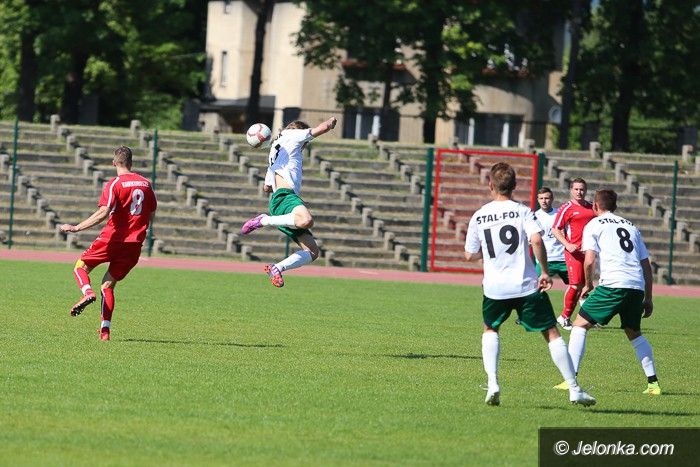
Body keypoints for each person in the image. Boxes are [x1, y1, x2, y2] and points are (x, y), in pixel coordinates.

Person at [464, 162, 596, 407]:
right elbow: (536, 240)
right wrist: (544, 271)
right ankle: (574, 389)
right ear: (514, 185)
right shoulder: (523, 211)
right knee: (551, 332)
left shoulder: (480, 215)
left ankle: (493, 383)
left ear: (490, 185)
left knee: (490, 329)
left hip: (495, 287)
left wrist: (491, 253)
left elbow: (470, 254)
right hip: (525, 285)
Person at [554, 189, 660, 395]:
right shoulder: (631, 226)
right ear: (615, 206)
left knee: (579, 325)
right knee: (634, 333)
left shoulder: (594, 225)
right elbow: (646, 266)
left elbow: (589, 260)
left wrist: (588, 284)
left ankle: (570, 379)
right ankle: (653, 384)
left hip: (613, 285)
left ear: (595, 206)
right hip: (635, 287)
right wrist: (648, 298)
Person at [60, 146, 157, 341]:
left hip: (112, 239)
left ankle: (87, 293)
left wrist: (77, 227)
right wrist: (141, 231)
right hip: (134, 244)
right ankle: (105, 332)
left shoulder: (115, 183)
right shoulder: (146, 184)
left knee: (80, 267)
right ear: (131, 163)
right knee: (107, 285)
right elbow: (152, 213)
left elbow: (103, 212)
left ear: (114, 163)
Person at [240, 117, 337, 287]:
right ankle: (264, 220)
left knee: (312, 251)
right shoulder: (293, 134)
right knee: (306, 220)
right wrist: (331, 122)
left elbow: (266, 187)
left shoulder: (275, 150)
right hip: (285, 197)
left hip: (279, 202)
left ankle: (276, 268)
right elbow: (321, 128)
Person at [551, 178, 596, 331]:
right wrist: (568, 244)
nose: (579, 192)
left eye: (582, 189)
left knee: (585, 287)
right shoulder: (566, 208)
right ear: (571, 190)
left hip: (588, 253)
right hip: (574, 253)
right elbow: (555, 229)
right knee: (575, 285)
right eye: (576, 189)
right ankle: (564, 317)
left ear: (586, 190)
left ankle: (585, 318)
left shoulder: (592, 208)